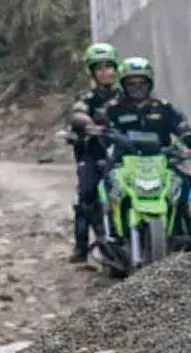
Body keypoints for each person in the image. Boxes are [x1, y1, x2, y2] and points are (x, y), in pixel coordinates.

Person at [99, 56, 191, 251]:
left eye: (142, 83)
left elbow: (181, 125)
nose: (137, 87)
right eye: (131, 83)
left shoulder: (163, 107)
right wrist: (101, 133)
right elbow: (101, 127)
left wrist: (190, 137)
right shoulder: (112, 109)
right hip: (124, 163)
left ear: (149, 84)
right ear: (123, 85)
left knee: (185, 185)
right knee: (108, 187)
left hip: (162, 161)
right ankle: (112, 235)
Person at [65, 43, 121, 263]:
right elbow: (77, 114)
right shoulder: (87, 98)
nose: (106, 72)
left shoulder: (127, 95)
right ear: (92, 72)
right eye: (100, 68)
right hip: (94, 154)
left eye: (109, 67)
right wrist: (87, 123)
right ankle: (81, 246)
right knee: (87, 193)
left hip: (122, 156)